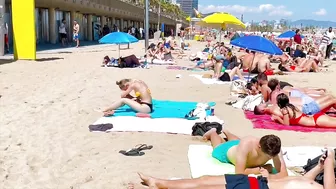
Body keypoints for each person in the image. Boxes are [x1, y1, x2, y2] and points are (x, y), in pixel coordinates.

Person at [136, 148, 336, 189]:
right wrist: (319, 167)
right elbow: (306, 181)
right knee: (205, 180)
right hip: (258, 182)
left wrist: (330, 161)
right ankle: (159, 182)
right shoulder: (313, 182)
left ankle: (160, 186)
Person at [203, 129, 287, 177]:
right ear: (259, 146)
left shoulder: (275, 149)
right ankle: (212, 132)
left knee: (236, 141)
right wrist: (260, 169)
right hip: (227, 152)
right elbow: (239, 172)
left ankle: (227, 132)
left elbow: (284, 174)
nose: (271, 158)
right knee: (217, 147)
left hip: (238, 146)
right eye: (268, 157)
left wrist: (270, 177)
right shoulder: (247, 144)